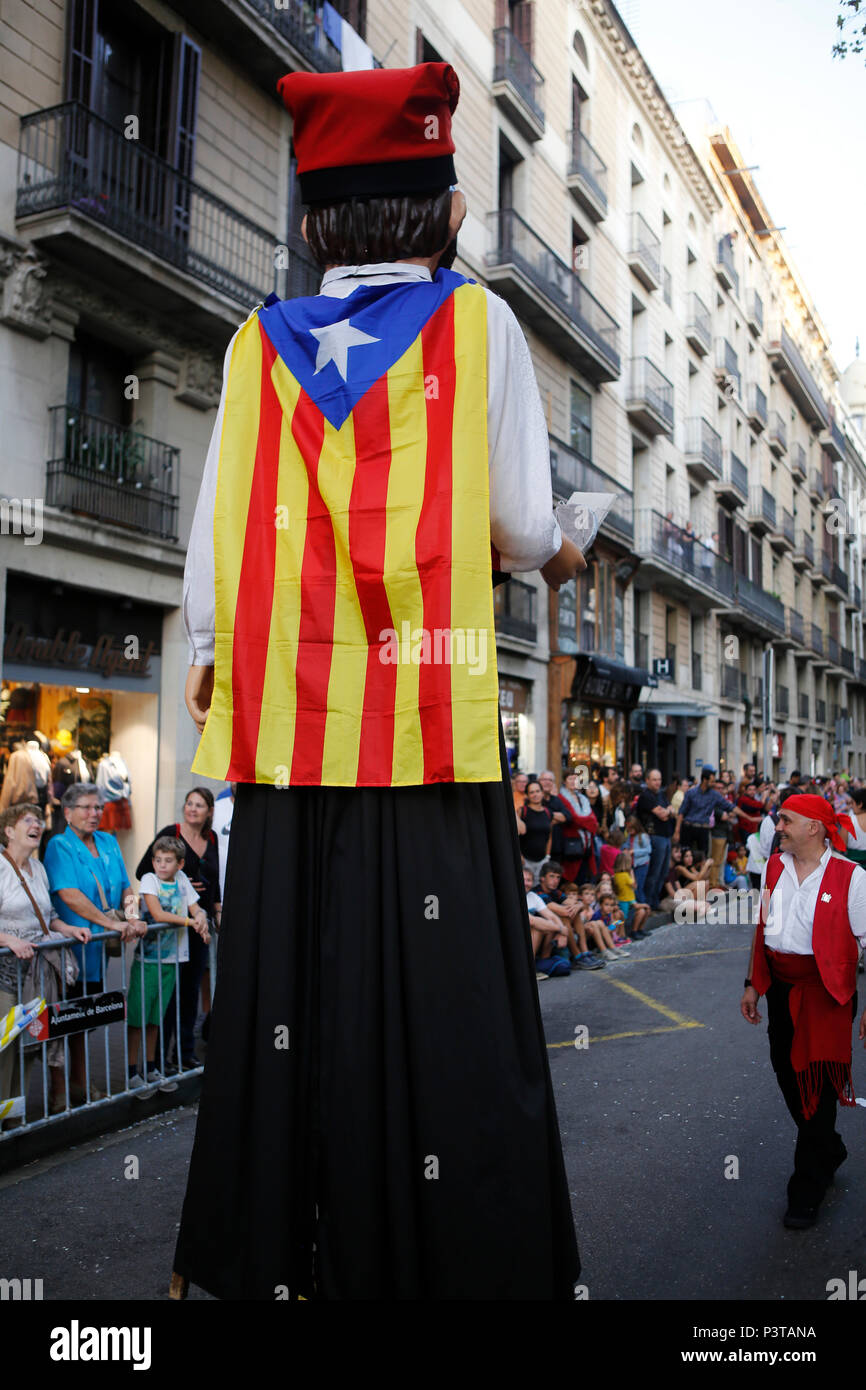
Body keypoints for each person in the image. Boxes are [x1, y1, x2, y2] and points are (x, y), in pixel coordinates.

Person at [172, 61, 584, 1301]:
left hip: (294, 755)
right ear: (445, 212)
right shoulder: (479, 326)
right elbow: (516, 524)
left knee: (284, 1025)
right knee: (445, 1031)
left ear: (312, 223)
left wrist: (209, 671)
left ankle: (270, 1264)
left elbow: (212, 555)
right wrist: (570, 544)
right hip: (426, 742)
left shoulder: (256, 342)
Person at [741, 794, 866, 1228]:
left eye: (786, 820)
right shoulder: (774, 866)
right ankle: (828, 1146)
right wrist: (752, 984)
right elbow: (764, 928)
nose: (778, 826)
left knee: (818, 1090)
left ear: (814, 827)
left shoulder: (852, 877)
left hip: (828, 995)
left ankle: (806, 1190)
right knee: (785, 1071)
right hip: (781, 988)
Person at [43, 784, 147, 1104]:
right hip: (68, 952)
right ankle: (61, 1090)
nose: (94, 814)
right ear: (68, 812)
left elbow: (127, 886)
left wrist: (130, 918)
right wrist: (112, 924)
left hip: (96, 950)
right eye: (87, 808)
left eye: (98, 808)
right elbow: (69, 894)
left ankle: (80, 1083)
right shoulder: (59, 845)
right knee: (63, 1019)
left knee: (85, 1019)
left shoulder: (108, 841)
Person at [0, 803, 92, 1123]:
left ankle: (13, 1121)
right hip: (5, 973)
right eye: (28, 820)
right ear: (9, 831)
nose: (37, 825)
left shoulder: (37, 869)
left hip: (35, 972)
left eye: (39, 821)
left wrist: (70, 929)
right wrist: (9, 940)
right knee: (4, 1049)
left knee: (26, 1048)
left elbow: (49, 917)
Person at [136, 789, 221, 1072]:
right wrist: (179, 879)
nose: (193, 809)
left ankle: (184, 1053)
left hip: (198, 924)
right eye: (189, 804)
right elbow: (144, 870)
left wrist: (214, 909)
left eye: (199, 805)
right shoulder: (170, 833)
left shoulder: (212, 838)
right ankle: (159, 1057)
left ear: (209, 811)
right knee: (168, 996)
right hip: (170, 931)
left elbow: (215, 879)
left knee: (191, 992)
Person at [129, 837, 211, 1091]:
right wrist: (191, 922)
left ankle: (151, 1068)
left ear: (180, 864)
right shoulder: (150, 880)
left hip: (172, 959)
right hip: (149, 959)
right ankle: (132, 1073)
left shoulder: (183, 880)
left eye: (168, 861)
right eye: (158, 860)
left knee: (156, 1017)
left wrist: (201, 917)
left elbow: (195, 907)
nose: (162, 865)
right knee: (138, 1017)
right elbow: (158, 914)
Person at [673, 766, 733, 862]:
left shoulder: (714, 795)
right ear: (705, 780)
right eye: (712, 781)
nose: (714, 784)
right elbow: (681, 812)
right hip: (689, 827)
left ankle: (700, 876)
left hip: (703, 829)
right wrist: (677, 831)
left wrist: (749, 817)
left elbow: (730, 807)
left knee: (703, 857)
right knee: (685, 855)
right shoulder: (691, 793)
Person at [637, 768, 674, 911]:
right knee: (654, 871)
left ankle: (654, 900)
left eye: (659, 779)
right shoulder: (646, 796)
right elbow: (662, 814)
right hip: (654, 836)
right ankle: (648, 903)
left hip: (665, 836)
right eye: (654, 779)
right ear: (647, 781)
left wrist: (668, 811)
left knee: (663, 872)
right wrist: (668, 811)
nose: (657, 782)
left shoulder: (661, 795)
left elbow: (671, 810)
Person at [518, 779, 554, 884]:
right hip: (525, 860)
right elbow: (514, 836)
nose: (535, 794)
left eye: (538, 791)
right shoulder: (522, 811)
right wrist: (519, 855)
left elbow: (550, 836)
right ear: (527, 795)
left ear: (542, 793)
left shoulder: (548, 812)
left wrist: (547, 856)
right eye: (531, 792)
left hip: (542, 861)